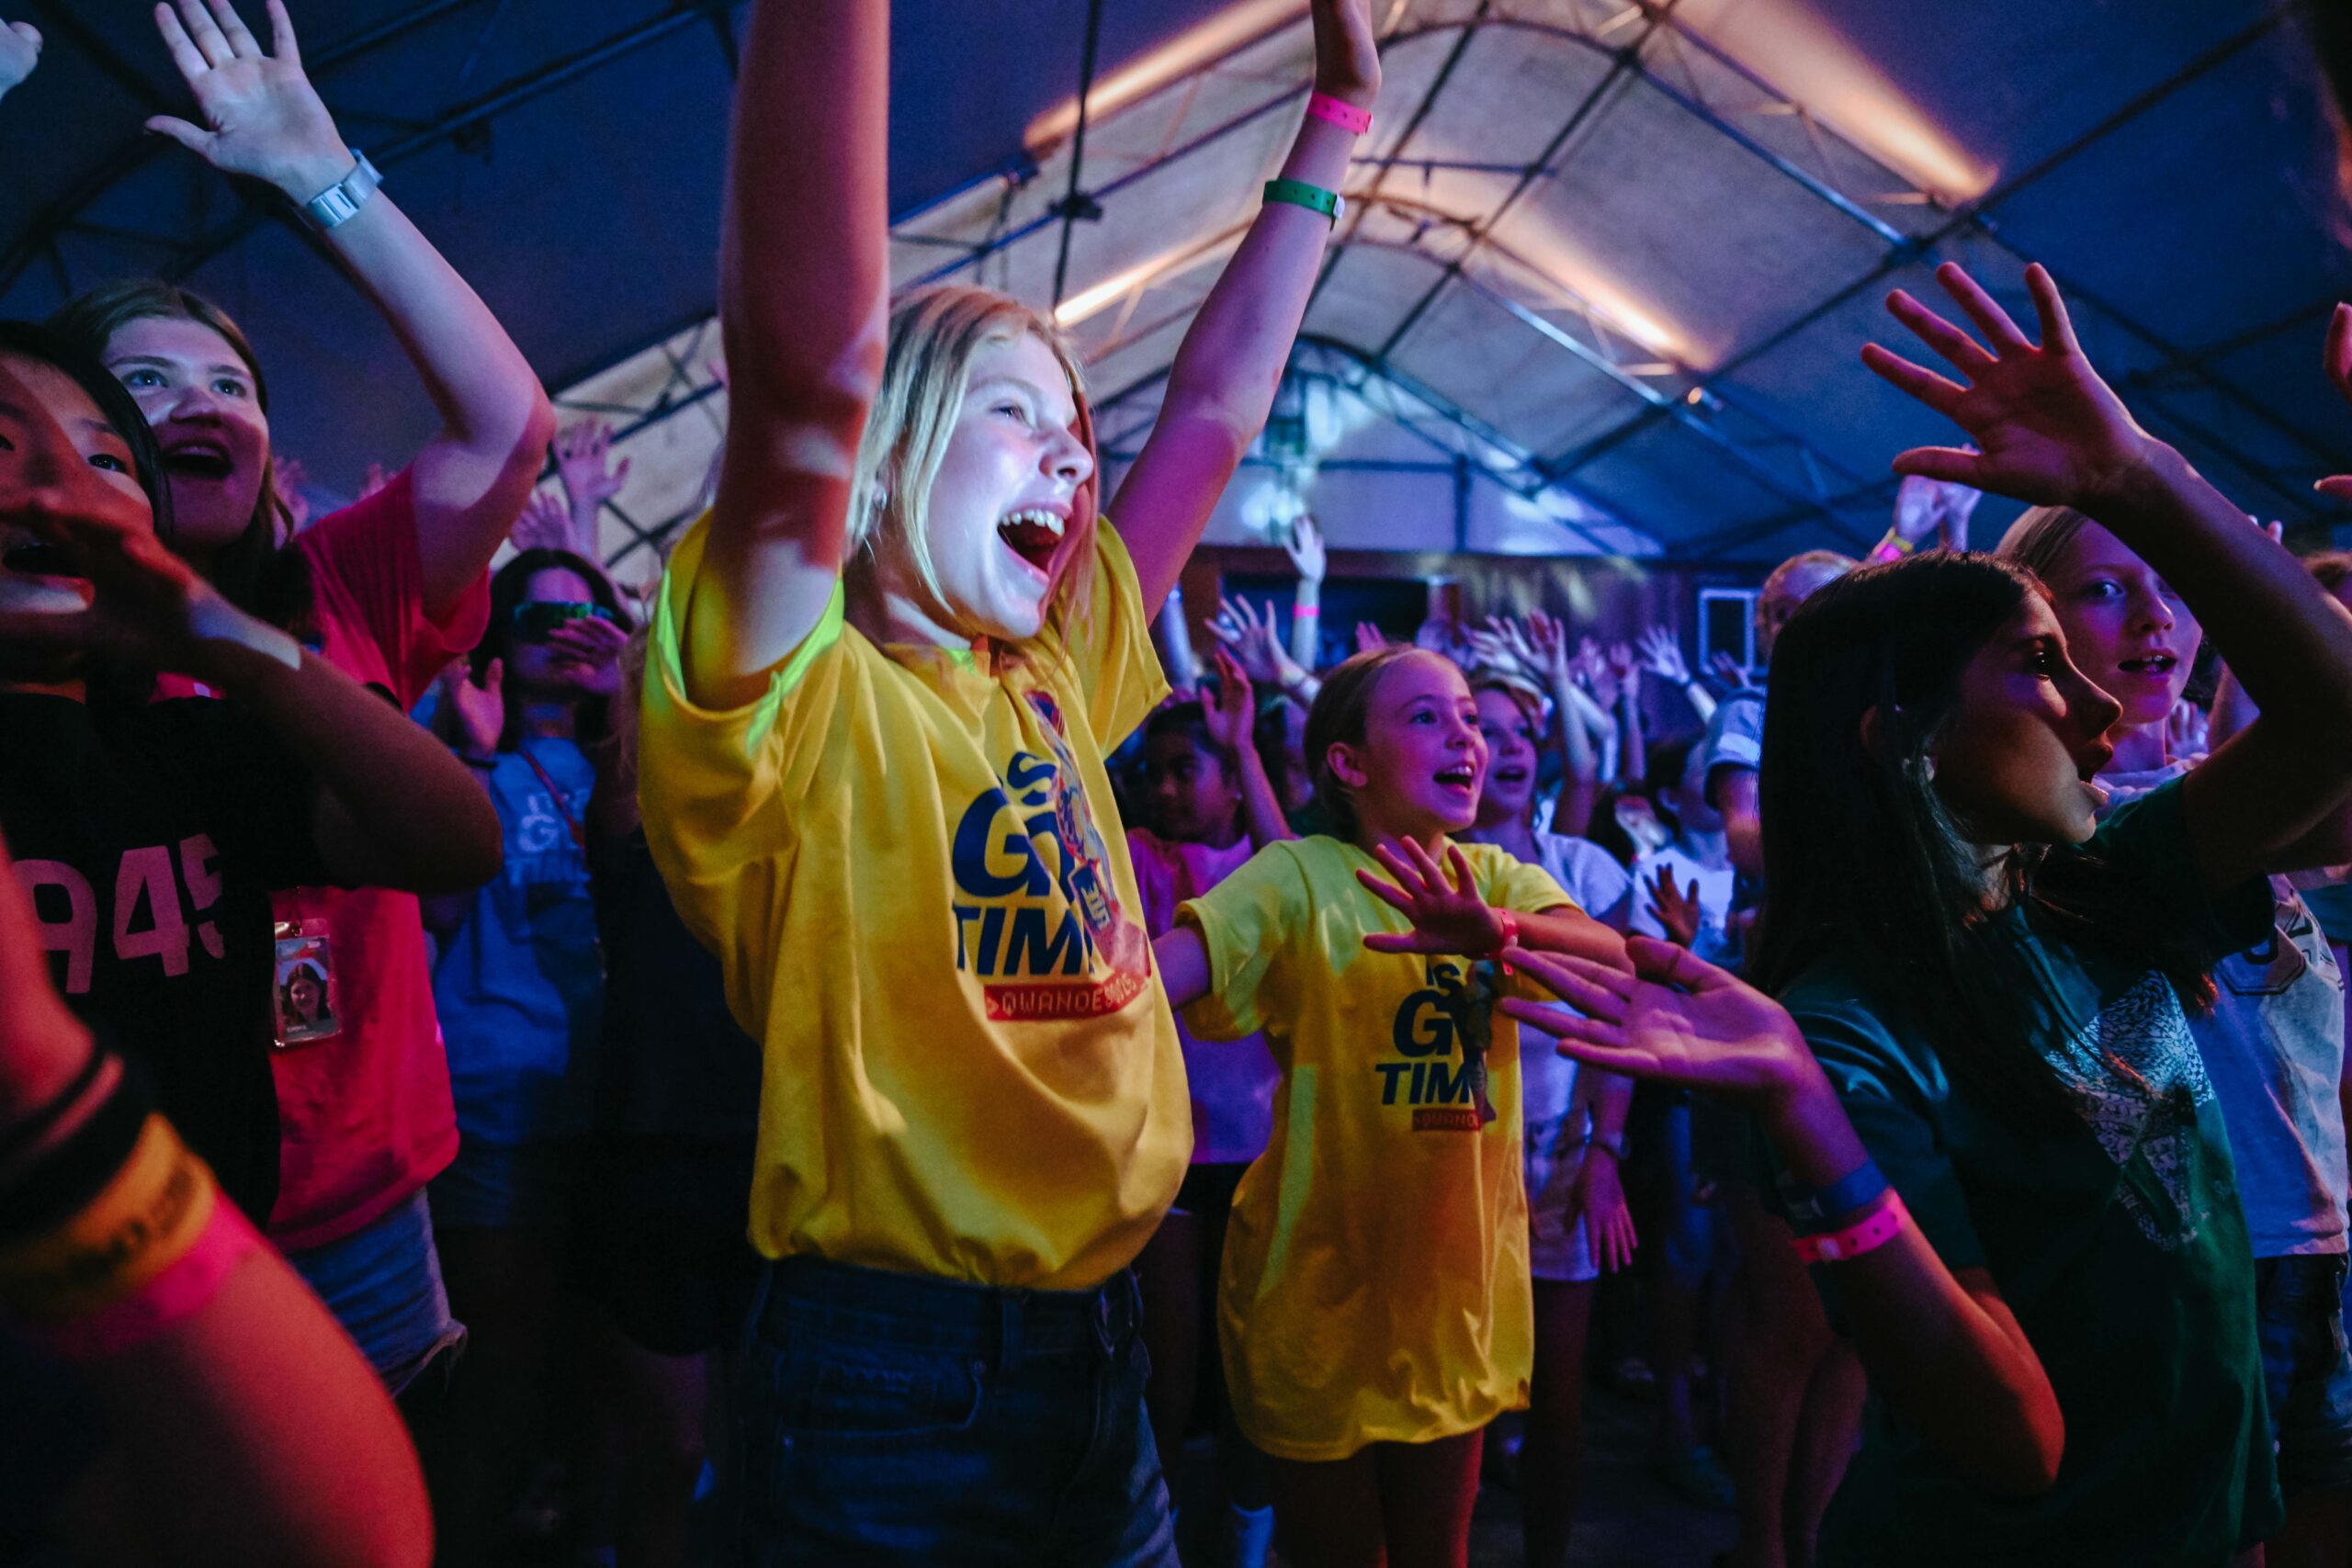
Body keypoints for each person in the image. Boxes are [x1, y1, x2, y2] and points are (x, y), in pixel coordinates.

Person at [633, 0, 1383, 1557]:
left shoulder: (1048, 668)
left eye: (1079, 431)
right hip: (885, 1372)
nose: (1075, 456)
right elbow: (806, 369)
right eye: (1017, 413)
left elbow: (1215, 412)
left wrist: (1336, 118)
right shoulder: (797, 693)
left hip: (1099, 1345)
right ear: (887, 455)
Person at [1509, 261, 2352, 1564]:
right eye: (2039, 663)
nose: (2101, 704)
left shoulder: (2100, 885)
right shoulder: (1848, 1031)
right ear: (1903, 735)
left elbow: (2333, 719)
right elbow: (2015, 1436)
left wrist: (2136, 473)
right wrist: (1803, 1108)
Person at [46, 0, 553, 1395]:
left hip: (361, 1211)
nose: (200, 401)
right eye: (146, 383)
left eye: (232, 384)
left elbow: (507, 423)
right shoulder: (34, 639)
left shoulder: (341, 582)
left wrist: (321, 174)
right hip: (115, 1223)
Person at [0, 320, 495, 1558]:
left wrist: (218, 636)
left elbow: (454, 838)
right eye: (6, 447)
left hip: (220, 1303)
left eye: (103, 460)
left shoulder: (188, 750)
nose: (56, 487)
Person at [1153, 645, 1628, 1568]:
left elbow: (1609, 960)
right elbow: (1158, 976)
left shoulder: (1495, 877)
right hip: (1319, 1301)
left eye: (1471, 719)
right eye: (1427, 717)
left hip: (1451, 1303)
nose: (1466, 736)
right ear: (1348, 762)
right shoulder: (1297, 875)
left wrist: (1497, 933)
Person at [2002, 496, 2352, 1567]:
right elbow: (2331, 725)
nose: (2157, 618)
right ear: (2030, 627)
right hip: (2195, 1262)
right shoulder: (2078, 826)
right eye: (2107, 589)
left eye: (2176, 586)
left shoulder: (2189, 792)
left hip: (2304, 1242)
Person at [424, 547, 632, 1565]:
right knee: (496, 1385)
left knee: (600, 1382)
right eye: (539, 619)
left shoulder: (628, 768)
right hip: (496, 1108)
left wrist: (629, 703)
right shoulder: (467, 755)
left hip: (615, 1111)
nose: (563, 635)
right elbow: (436, 907)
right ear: (498, 638)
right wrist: (468, 752)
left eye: (585, 617)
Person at [1458, 667, 1637, 1567]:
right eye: (1486, 730)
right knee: (1455, 1381)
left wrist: (1606, 1151)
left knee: (1558, 1387)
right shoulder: (1426, 866)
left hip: (1560, 1152)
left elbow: (1618, 1020)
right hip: (1451, 1153)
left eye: (1523, 731)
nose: (1510, 747)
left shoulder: (1584, 870)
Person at [1127, 650, 1289, 1568]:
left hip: (1262, 1149)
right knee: (1169, 1363)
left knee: (1251, 1374)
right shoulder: (1142, 855)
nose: (1165, 788)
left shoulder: (1268, 865)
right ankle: (1160, 1536)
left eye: (1186, 770)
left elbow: (1291, 869)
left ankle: (1246, 1537)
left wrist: (1245, 745)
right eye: (1154, 772)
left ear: (1232, 785)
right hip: (1172, 1152)